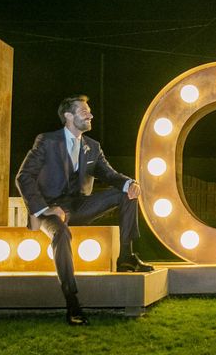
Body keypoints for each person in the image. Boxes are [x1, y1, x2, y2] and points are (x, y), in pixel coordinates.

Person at [16, 95, 153, 326]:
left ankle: (126, 257)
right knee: (61, 234)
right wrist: (45, 208)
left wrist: (130, 183)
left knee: (127, 193)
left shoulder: (93, 147)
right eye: (83, 111)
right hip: (50, 209)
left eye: (89, 111)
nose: (90, 115)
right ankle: (72, 302)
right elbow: (23, 177)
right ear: (68, 116)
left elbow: (108, 174)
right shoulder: (47, 141)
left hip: (80, 206)